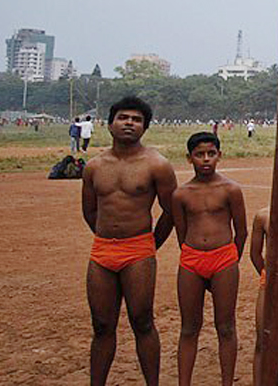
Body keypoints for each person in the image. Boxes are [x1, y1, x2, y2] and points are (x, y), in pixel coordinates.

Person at [82, 96, 177, 386]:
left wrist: (149, 245)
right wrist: (107, 236)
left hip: (139, 251)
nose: (129, 124)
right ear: (110, 123)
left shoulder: (157, 165)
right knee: (101, 325)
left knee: (142, 321)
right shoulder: (94, 166)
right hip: (102, 252)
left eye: (136, 120)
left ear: (145, 128)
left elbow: (170, 212)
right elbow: (90, 211)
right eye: (123, 118)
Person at [172, 131, 247, 386]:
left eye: (211, 154)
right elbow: (181, 233)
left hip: (224, 259)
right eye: (199, 154)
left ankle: (227, 382)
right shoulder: (181, 194)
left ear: (219, 156)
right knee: (189, 328)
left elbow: (242, 230)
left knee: (225, 326)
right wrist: (193, 253)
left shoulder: (231, 190)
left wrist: (229, 259)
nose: (206, 159)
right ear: (189, 158)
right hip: (191, 260)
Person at [249, 206, 270, 386]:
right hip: (270, 281)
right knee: (262, 340)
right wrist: (266, 274)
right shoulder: (263, 216)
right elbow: (254, 254)